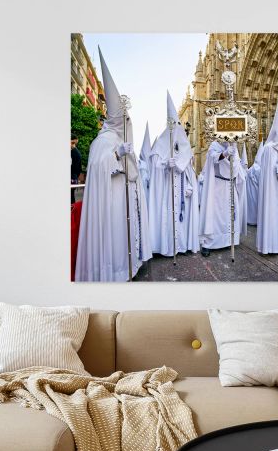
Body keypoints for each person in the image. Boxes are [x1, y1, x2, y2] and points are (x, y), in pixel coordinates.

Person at [73, 49, 152, 282]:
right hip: (111, 200)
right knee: (113, 235)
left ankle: (128, 266)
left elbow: (133, 171)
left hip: (124, 198)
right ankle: (114, 272)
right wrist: (116, 154)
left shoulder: (120, 139)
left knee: (123, 236)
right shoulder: (103, 140)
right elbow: (98, 166)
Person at [146, 93, 200, 256]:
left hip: (183, 192)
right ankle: (166, 247)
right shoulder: (161, 144)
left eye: (178, 124)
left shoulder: (184, 145)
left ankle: (182, 246)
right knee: (167, 217)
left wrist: (190, 186)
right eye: (173, 124)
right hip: (166, 192)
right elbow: (154, 167)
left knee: (181, 220)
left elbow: (189, 170)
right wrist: (164, 164)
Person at [254, 97, 278, 255]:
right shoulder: (270, 149)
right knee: (273, 215)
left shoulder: (274, 148)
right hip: (272, 190)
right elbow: (273, 171)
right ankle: (270, 245)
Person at [197, 140, 246, 257]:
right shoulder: (214, 144)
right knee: (215, 215)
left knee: (230, 214)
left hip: (230, 185)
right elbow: (213, 158)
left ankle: (229, 240)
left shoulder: (233, 145)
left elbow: (236, 165)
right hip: (217, 186)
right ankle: (209, 244)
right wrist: (224, 154)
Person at [244, 151, 261, 226]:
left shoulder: (252, 167)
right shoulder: (258, 169)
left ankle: (249, 219)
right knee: (255, 205)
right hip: (256, 190)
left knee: (251, 206)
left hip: (250, 190)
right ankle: (255, 220)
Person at [70, 134, 84, 204]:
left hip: (72, 177)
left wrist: (75, 176)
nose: (73, 145)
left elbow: (77, 168)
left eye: (75, 144)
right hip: (74, 177)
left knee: (71, 197)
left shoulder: (75, 152)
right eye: (72, 143)